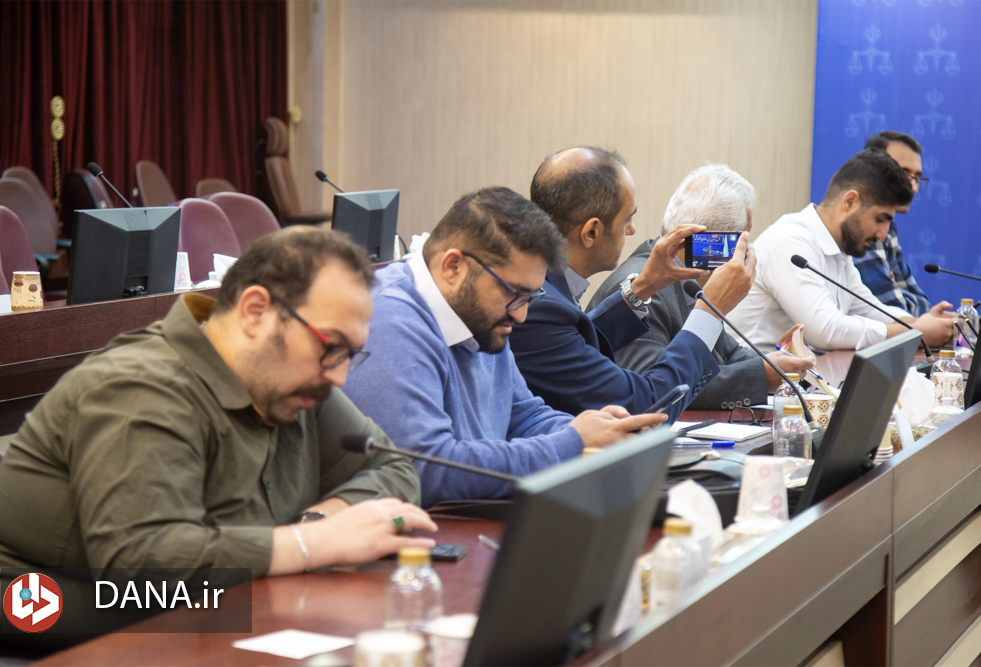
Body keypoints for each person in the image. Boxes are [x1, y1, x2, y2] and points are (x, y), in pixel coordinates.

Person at [0, 228, 438, 579]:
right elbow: (143, 565)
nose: (339, 376)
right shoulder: (140, 388)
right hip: (51, 608)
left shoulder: (295, 382)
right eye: (331, 346)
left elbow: (395, 468)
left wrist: (319, 523)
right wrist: (313, 544)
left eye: (350, 354)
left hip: (209, 608)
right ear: (255, 311)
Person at [343, 187, 665, 508]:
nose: (521, 315)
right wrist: (574, 441)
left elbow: (523, 417)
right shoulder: (388, 319)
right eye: (514, 293)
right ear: (453, 267)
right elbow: (427, 469)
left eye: (530, 297)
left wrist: (604, 433)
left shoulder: (480, 315)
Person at [508, 147, 756, 419]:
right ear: (591, 232)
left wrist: (642, 287)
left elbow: (578, 341)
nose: (632, 229)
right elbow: (644, 407)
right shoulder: (539, 307)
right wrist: (710, 311)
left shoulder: (550, 288)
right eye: (627, 218)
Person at [590, 164, 815, 410]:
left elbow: (728, 355)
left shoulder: (693, 283)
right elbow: (655, 390)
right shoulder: (641, 290)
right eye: (743, 240)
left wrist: (779, 364)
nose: (747, 252)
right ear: (712, 243)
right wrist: (760, 377)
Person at [727, 149, 955, 351]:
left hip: (797, 377)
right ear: (850, 202)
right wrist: (917, 333)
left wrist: (927, 324)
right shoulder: (791, 241)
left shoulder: (839, 250)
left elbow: (871, 310)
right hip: (757, 380)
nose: (883, 234)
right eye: (880, 218)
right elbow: (825, 331)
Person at [853, 131, 932, 317]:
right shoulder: (860, 224)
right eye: (904, 174)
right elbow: (894, 311)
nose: (913, 187)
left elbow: (922, 303)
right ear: (873, 170)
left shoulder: (890, 227)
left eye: (917, 178)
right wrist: (899, 292)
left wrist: (899, 291)